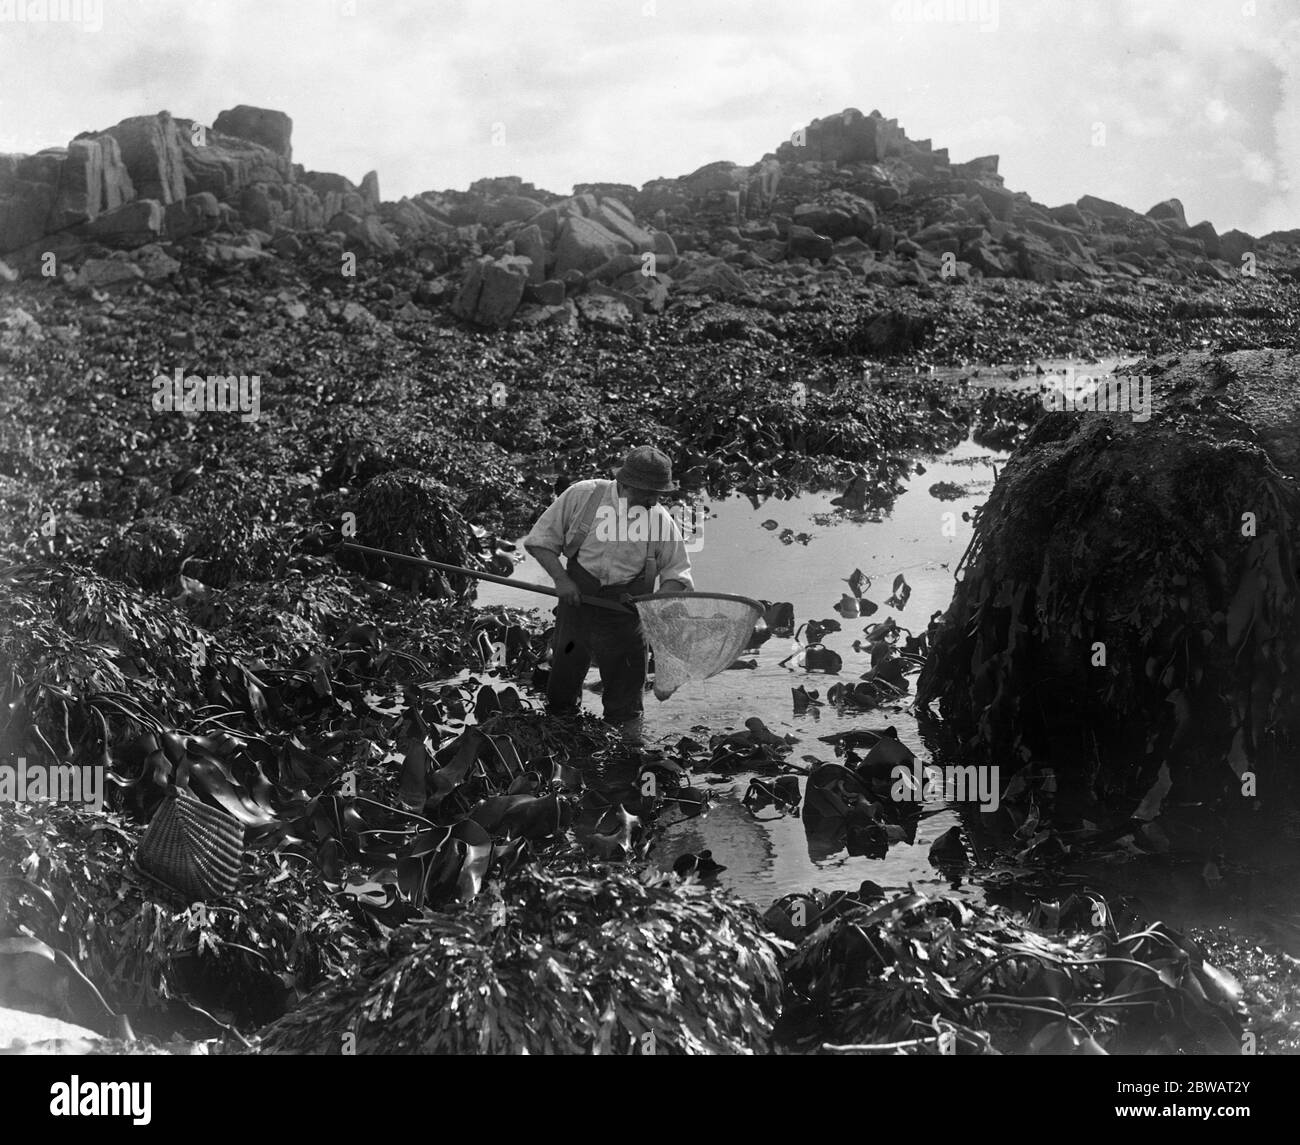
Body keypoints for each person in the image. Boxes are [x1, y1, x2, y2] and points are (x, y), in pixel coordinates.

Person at [523, 446, 693, 729]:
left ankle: (624, 756)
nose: (653, 500)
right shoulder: (583, 496)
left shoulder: (659, 520)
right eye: (647, 492)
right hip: (577, 603)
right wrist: (562, 581)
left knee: (626, 707)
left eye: (658, 494)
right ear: (625, 484)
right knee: (562, 692)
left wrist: (652, 606)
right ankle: (564, 744)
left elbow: (677, 574)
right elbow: (540, 541)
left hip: (625, 615)